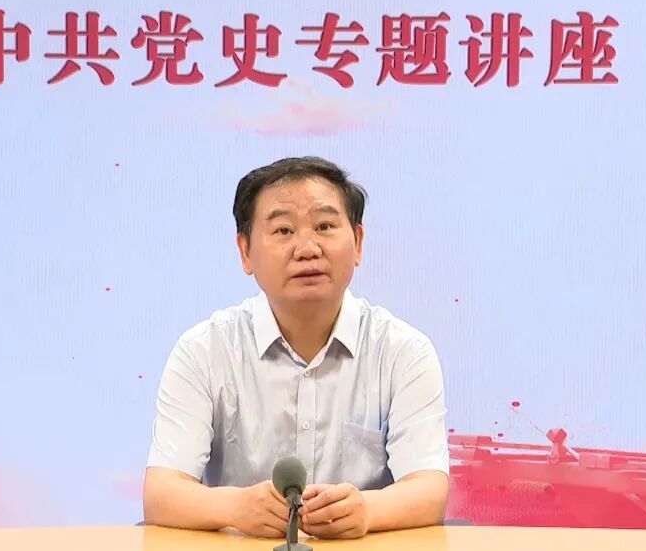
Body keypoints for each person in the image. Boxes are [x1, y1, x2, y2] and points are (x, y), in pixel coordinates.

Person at [142, 156, 449, 539]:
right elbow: (162, 493)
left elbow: (428, 489)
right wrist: (234, 507)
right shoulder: (204, 351)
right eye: (283, 230)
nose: (307, 248)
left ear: (357, 243)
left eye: (324, 226)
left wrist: (367, 510)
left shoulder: (403, 351)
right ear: (245, 251)